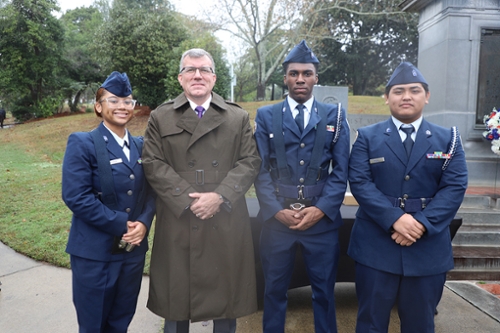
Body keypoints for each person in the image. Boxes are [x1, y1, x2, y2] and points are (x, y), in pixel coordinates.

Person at [142, 48, 261, 333]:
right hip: (179, 218)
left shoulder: (237, 117)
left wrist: (219, 196)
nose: (198, 75)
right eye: (191, 70)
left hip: (225, 218)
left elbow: (250, 161)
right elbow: (152, 162)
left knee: (226, 302)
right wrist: (188, 199)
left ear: (214, 77)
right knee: (176, 300)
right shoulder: (161, 116)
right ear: (180, 78)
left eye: (204, 69)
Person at [348, 62, 468, 333]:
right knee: (370, 323)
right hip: (376, 245)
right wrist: (395, 219)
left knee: (420, 324)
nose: (406, 96)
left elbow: (454, 187)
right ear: (387, 98)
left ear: (427, 96)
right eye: (398, 91)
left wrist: (421, 223)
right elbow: (360, 182)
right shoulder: (367, 137)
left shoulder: (448, 139)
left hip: (427, 247)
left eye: (414, 90)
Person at [254, 40, 350, 333]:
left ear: (316, 78)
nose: (300, 79)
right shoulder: (266, 116)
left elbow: (341, 170)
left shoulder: (335, 116)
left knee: (323, 292)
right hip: (277, 221)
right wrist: (274, 210)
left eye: (306, 73)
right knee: (274, 290)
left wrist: (321, 211)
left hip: (320, 223)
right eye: (294, 73)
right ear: (284, 77)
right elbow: (258, 169)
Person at [62, 71, 156, 333]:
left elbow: (151, 192)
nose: (122, 106)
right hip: (95, 254)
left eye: (128, 101)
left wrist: (145, 223)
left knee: (121, 320)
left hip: (132, 252)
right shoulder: (83, 143)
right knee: (94, 325)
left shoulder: (141, 145)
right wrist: (122, 224)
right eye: (114, 100)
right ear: (98, 106)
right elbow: (76, 197)